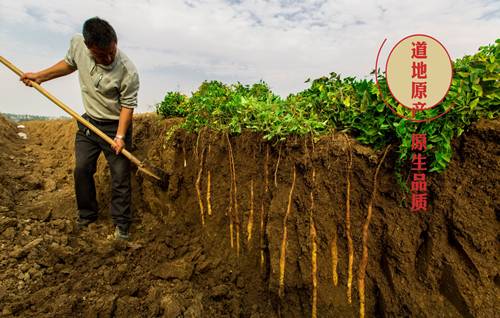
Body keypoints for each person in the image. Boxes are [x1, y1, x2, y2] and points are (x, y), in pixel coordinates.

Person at [21, 17, 139, 240]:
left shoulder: (128, 71)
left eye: (111, 52)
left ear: (115, 43)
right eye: (101, 55)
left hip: (115, 126)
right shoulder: (78, 45)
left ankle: (122, 226)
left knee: (120, 176)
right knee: (82, 169)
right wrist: (40, 77)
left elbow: (127, 105)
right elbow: (69, 63)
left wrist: (121, 136)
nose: (108, 58)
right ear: (88, 47)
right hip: (88, 123)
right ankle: (87, 216)